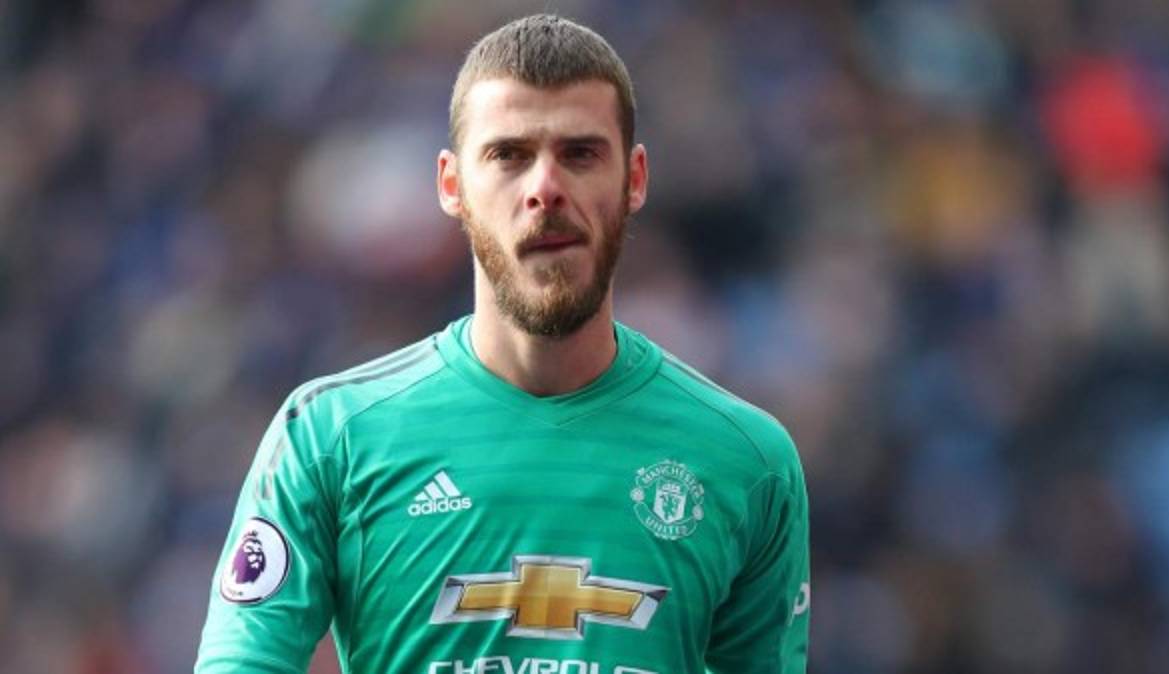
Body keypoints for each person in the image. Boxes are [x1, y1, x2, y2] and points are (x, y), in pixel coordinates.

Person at [195, 13, 810, 674]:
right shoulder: (330, 437)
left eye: (580, 153)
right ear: (452, 185)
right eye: (509, 155)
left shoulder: (748, 461)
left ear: (634, 179)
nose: (545, 189)